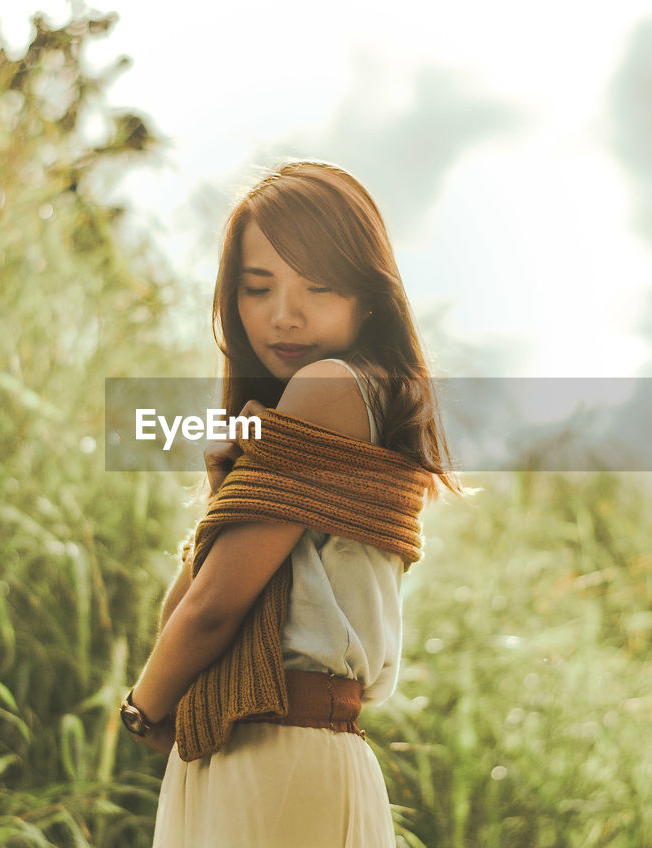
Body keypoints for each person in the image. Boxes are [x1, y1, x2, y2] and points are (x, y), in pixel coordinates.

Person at [119, 160, 459, 848]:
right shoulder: (349, 399)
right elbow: (189, 609)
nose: (283, 315)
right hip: (260, 759)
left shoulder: (331, 386)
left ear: (367, 298)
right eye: (258, 287)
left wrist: (141, 710)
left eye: (318, 286)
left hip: (276, 763)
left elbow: (210, 611)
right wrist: (230, 493)